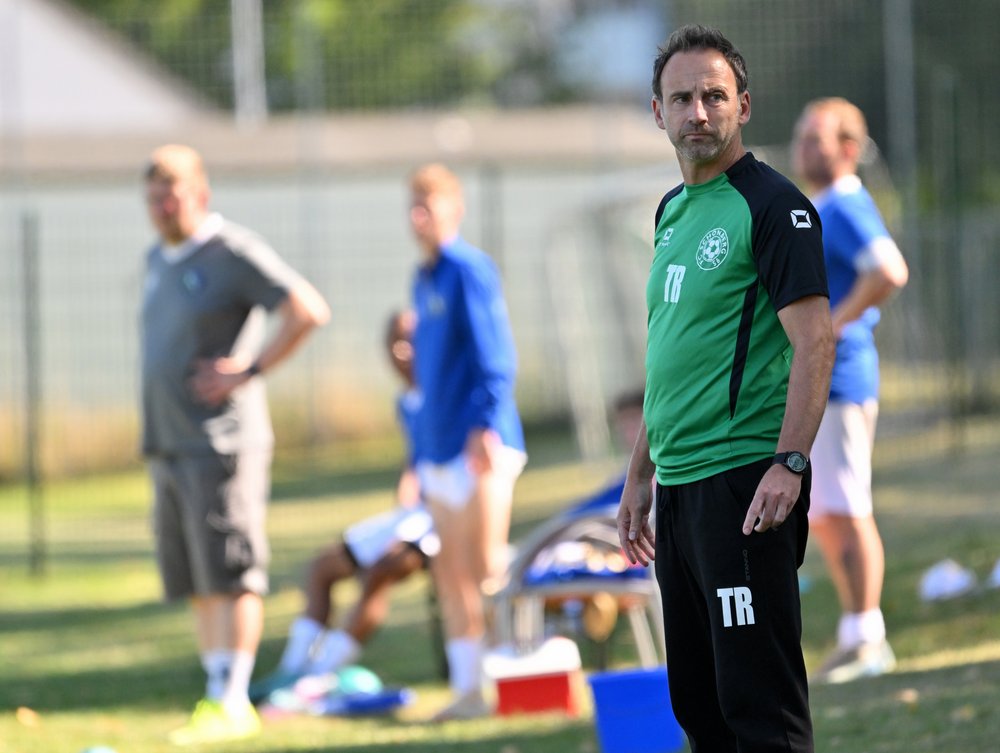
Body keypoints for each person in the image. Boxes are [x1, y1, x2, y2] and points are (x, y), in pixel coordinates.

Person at [617, 25, 835, 753]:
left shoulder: (773, 206)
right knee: (700, 706)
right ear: (658, 113)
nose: (698, 112)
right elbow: (672, 357)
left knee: (759, 709)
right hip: (679, 490)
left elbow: (815, 341)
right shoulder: (671, 211)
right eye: (682, 99)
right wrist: (640, 474)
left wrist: (790, 462)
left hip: (743, 483)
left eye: (714, 95)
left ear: (744, 103)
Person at [140, 144, 330, 745]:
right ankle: (215, 692)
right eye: (153, 198)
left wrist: (247, 370)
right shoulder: (156, 258)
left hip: (221, 443)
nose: (162, 208)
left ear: (201, 193)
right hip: (169, 445)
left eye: (172, 195)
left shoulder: (232, 252)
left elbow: (307, 311)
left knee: (232, 572)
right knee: (197, 579)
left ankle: (235, 698)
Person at [248, 308, 439, 702]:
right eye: (394, 342)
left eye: (411, 341)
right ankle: (291, 671)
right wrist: (407, 485)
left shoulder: (445, 393)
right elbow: (416, 458)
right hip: (413, 514)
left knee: (381, 571)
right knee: (322, 567)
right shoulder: (406, 401)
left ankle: (322, 673)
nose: (402, 351)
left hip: (447, 517)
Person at [792, 97, 909, 684]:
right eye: (802, 137)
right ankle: (855, 634)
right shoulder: (820, 207)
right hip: (822, 381)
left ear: (848, 149)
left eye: (816, 139)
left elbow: (889, 270)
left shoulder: (845, 205)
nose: (804, 149)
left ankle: (868, 638)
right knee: (827, 512)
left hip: (841, 380)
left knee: (848, 507)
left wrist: (833, 326)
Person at [408, 163, 526, 721]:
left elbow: (496, 358)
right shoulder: (422, 277)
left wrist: (483, 427)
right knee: (449, 574)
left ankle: (512, 684)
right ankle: (467, 691)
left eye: (427, 206)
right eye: (412, 206)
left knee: (486, 569)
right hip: (436, 447)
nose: (418, 217)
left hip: (480, 443)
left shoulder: (469, 268)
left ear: (454, 209)